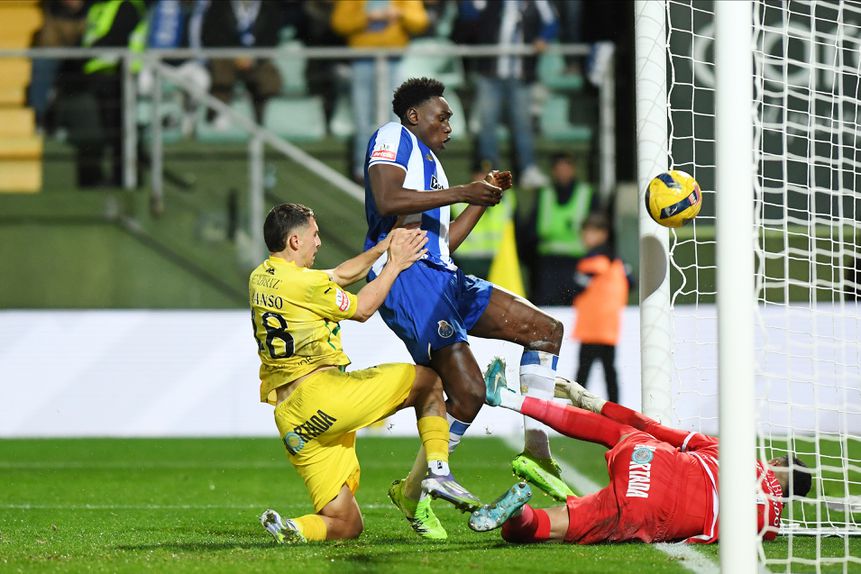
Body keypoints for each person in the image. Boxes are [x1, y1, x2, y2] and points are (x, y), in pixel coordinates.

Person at [363, 76, 573, 540]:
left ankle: (535, 450)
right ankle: (414, 491)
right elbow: (385, 199)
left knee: (545, 330)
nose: (450, 125)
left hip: (443, 273)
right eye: (444, 115)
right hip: (408, 279)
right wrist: (463, 191)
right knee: (470, 393)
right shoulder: (393, 136)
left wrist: (481, 197)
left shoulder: (431, 164)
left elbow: (444, 242)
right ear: (414, 115)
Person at [252, 203, 480, 544]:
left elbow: (339, 275)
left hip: (293, 422)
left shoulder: (261, 277)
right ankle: (438, 471)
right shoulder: (307, 286)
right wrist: (395, 264)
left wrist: (380, 247)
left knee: (345, 524)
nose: (319, 242)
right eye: (314, 235)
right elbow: (362, 309)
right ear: (295, 241)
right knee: (428, 382)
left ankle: (293, 528)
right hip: (324, 397)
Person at [469, 358, 813, 544]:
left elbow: (653, 427)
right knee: (553, 526)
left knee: (622, 432)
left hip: (654, 465)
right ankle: (518, 515)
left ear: (776, 461)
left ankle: (513, 399)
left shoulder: (737, 454)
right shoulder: (769, 527)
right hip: (648, 514)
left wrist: (595, 403)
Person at [330, 0, 429, 183]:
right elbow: (339, 22)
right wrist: (366, 17)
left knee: (396, 117)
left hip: (394, 60)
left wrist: (399, 13)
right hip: (361, 60)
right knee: (362, 119)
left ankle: (394, 166)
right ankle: (363, 171)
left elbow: (420, 21)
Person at [469, 0, 558, 190]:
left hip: (520, 75)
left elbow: (552, 23)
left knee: (523, 124)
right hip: (490, 73)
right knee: (487, 123)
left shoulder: (538, 2)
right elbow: (471, 12)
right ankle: (489, 170)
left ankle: (527, 169)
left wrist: (543, 38)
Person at [520, 151, 599, 305]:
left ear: (573, 169)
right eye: (559, 168)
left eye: (566, 167)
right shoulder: (544, 195)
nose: (563, 172)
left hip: (578, 265)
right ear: (553, 171)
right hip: (548, 267)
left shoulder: (587, 195)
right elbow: (529, 234)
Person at [571, 212, 633, 404]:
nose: (585, 236)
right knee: (609, 370)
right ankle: (616, 408)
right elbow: (631, 282)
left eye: (589, 232)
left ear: (602, 234)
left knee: (583, 370)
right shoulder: (618, 261)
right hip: (609, 324)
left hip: (592, 325)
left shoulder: (593, 260)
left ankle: (576, 410)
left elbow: (576, 287)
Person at [201, 0, 282, 125]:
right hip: (226, 58)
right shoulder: (219, 4)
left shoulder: (268, 5)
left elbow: (272, 37)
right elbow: (210, 35)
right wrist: (234, 55)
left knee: (270, 79)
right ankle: (215, 118)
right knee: (221, 77)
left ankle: (263, 122)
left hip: (257, 59)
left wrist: (254, 57)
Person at [449, 161, 516, 279]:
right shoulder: (459, 200)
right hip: (465, 262)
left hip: (499, 262)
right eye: (481, 174)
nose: (485, 179)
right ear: (473, 176)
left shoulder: (508, 200)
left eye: (489, 175)